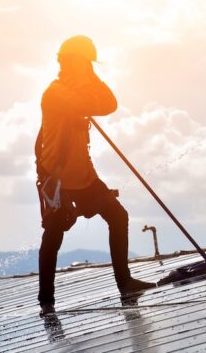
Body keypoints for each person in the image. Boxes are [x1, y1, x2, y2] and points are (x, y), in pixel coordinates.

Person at [35, 35, 154, 314]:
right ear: (71, 62)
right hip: (59, 179)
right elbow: (94, 105)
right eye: (85, 63)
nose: (88, 68)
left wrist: (90, 76)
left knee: (117, 216)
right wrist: (88, 81)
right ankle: (46, 300)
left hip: (84, 176)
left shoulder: (75, 90)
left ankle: (125, 282)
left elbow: (110, 103)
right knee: (53, 235)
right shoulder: (56, 93)